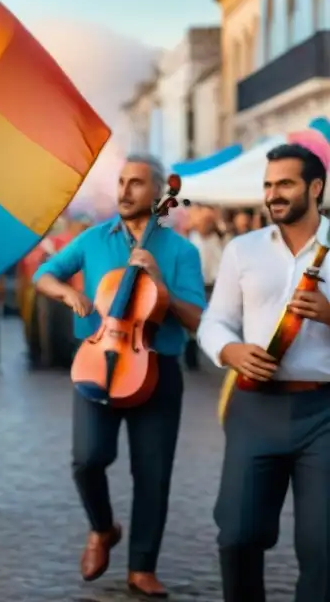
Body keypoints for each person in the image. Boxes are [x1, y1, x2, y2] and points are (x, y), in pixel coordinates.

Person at [33, 153, 206, 598]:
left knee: (153, 474)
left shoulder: (181, 251)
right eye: (122, 182)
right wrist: (67, 294)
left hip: (157, 368)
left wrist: (159, 287)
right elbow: (44, 274)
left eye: (136, 183)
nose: (125, 191)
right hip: (98, 360)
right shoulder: (92, 239)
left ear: (156, 193)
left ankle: (142, 566)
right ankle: (102, 527)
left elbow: (193, 318)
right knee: (87, 458)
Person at [198, 140, 330, 602]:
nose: (273, 193)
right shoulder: (242, 250)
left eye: (285, 184)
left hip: (324, 412)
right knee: (237, 535)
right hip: (254, 407)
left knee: (323, 552)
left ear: (315, 187)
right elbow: (214, 321)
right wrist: (230, 350)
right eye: (268, 185)